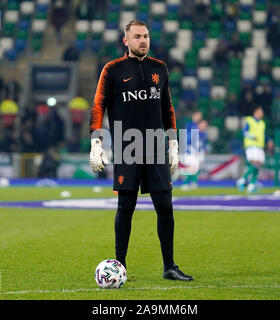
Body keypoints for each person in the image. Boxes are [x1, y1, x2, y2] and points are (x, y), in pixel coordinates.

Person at [88, 20, 193, 281]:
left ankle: (169, 266)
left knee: (165, 207)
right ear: (126, 41)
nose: (143, 40)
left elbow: (168, 109)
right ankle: (119, 267)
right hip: (128, 147)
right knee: (126, 207)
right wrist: (96, 142)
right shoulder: (112, 70)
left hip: (156, 146)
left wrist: (173, 143)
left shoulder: (160, 68)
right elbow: (98, 106)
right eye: (137, 37)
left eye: (145, 36)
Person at [236, 106, 273, 193]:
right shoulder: (249, 120)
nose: (262, 114)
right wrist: (252, 137)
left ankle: (251, 186)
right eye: (260, 112)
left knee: (258, 165)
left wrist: (269, 140)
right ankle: (242, 180)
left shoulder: (262, 123)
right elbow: (244, 132)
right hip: (251, 145)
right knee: (255, 163)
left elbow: (262, 135)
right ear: (255, 112)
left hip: (259, 146)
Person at [181, 119, 208, 191]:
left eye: (205, 125)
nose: (204, 126)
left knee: (196, 169)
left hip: (198, 154)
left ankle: (194, 182)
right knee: (191, 169)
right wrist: (192, 151)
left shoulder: (204, 134)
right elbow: (186, 143)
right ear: (199, 125)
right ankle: (185, 183)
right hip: (190, 153)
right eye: (203, 124)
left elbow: (203, 144)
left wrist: (204, 150)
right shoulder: (192, 133)